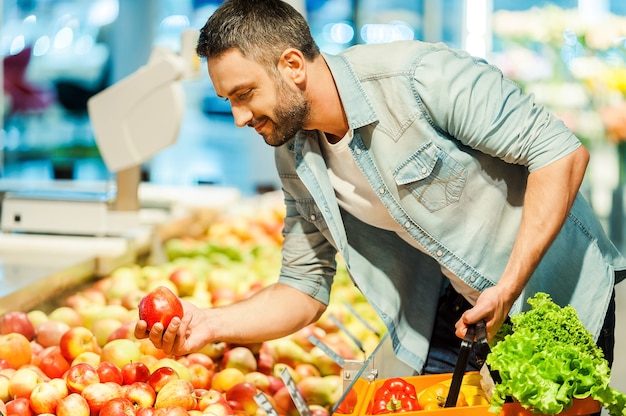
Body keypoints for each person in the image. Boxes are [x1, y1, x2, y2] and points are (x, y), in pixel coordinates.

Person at [135, 0, 626, 375]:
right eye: (228, 101)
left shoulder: (417, 77)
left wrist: (507, 286)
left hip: (567, 301)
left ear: (292, 65)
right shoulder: (293, 152)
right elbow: (304, 287)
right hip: (466, 322)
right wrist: (211, 324)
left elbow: (561, 152)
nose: (239, 117)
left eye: (245, 95)